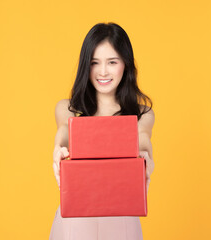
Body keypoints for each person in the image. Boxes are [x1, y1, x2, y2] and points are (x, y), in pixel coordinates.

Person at [49, 22, 155, 240]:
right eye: (94, 63)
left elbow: (143, 138)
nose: (103, 71)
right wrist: (59, 151)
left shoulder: (142, 113)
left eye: (112, 62)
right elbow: (64, 132)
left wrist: (146, 158)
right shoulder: (69, 108)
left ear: (125, 64)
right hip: (76, 220)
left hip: (122, 219)